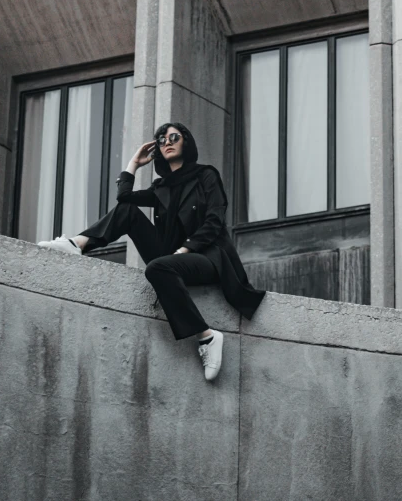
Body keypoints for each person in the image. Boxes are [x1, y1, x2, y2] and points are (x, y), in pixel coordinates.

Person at [38, 122, 266, 382]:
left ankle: (207, 336)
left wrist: (185, 248)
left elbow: (214, 221)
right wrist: (134, 163)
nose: (167, 142)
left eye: (174, 137)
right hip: (172, 258)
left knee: (157, 267)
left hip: (207, 257)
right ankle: (76, 244)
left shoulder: (206, 175)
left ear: (186, 142)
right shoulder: (162, 187)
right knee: (129, 213)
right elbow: (124, 199)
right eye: (161, 139)